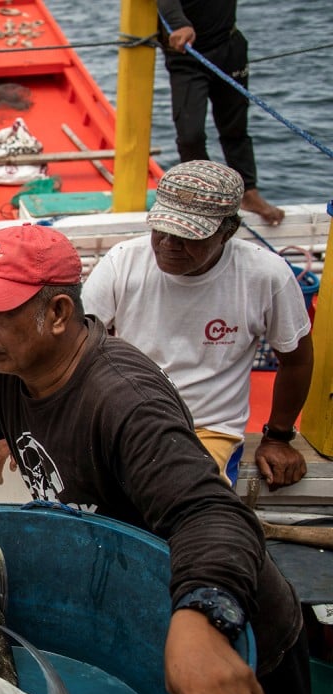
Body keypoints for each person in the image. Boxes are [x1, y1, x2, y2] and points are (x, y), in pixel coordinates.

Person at [0, 223, 310, 694]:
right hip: (127, 592)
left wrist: (204, 619)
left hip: (231, 638)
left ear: (57, 313)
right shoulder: (2, 376)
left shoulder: (124, 401)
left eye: (1, 310)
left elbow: (211, 513)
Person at [82, 160, 313, 488]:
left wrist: (278, 437)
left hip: (207, 428)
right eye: (161, 229)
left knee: (187, 498)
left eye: (187, 235)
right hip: (125, 418)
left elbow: (296, 358)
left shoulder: (267, 275)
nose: (168, 244)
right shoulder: (123, 262)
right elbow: (71, 352)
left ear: (227, 231)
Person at [157, 0, 284, 225]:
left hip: (229, 47)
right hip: (186, 53)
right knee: (190, 135)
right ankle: (201, 194)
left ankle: (249, 193)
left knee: (235, 128)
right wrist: (179, 24)